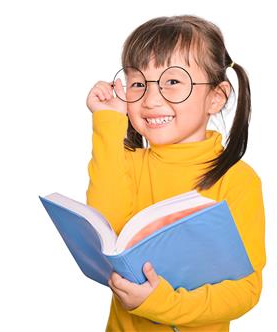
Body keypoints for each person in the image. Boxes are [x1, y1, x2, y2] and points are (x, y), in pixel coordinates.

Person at [85, 15, 266, 332]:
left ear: (215, 97)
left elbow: (244, 291)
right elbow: (107, 232)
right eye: (139, 83)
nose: (151, 99)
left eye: (172, 81)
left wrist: (160, 303)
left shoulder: (238, 181)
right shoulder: (125, 162)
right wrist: (108, 123)